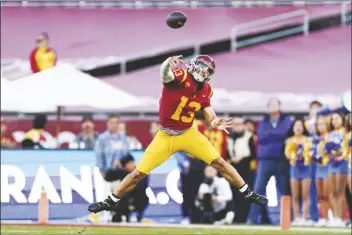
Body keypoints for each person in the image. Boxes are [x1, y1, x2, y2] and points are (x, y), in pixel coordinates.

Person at [88, 55, 268, 214]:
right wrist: (166, 65)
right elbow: (165, 76)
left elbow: (208, 111)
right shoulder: (181, 75)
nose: (203, 72)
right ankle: (110, 201)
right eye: (201, 67)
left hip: (188, 133)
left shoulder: (206, 89)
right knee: (137, 174)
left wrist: (214, 122)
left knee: (220, 163)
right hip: (165, 136)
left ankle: (248, 192)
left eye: (207, 70)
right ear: (193, 66)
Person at [247, 98, 292, 224]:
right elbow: (262, 136)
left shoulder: (287, 121)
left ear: (279, 106)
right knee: (257, 190)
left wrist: (272, 135)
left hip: (281, 160)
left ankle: (288, 219)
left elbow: (283, 133)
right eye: (270, 105)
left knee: (284, 190)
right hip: (265, 160)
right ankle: (252, 218)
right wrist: (277, 136)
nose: (272, 107)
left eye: (275, 104)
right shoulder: (263, 122)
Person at [94, 114, 130, 222]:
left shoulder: (123, 138)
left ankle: (120, 215)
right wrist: (101, 170)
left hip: (121, 172)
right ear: (108, 124)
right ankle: (104, 215)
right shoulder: (102, 138)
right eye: (112, 123)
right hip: (108, 171)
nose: (114, 125)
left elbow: (127, 154)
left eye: (116, 123)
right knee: (106, 194)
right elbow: (99, 155)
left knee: (120, 194)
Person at [227, 115, 256, 223]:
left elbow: (253, 154)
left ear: (243, 125)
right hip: (234, 168)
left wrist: (242, 157)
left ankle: (246, 217)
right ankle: (236, 217)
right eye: (235, 124)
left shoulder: (249, 136)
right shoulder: (230, 137)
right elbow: (227, 152)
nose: (237, 127)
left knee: (246, 193)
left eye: (239, 124)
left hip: (246, 168)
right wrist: (232, 158)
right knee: (234, 194)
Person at [285, 119, 313, 226]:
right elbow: (287, 155)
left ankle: (305, 218)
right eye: (296, 125)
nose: (298, 127)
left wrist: (305, 155)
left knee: (305, 195)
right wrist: (294, 156)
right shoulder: (289, 141)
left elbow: (311, 154)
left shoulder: (308, 140)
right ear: (293, 128)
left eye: (300, 125)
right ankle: (297, 218)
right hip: (295, 169)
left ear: (303, 128)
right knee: (295, 195)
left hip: (305, 169)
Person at [306, 116, 332, 227]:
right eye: (319, 124)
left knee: (328, 194)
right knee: (320, 195)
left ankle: (333, 216)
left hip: (328, 167)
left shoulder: (331, 137)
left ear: (327, 125)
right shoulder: (315, 138)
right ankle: (324, 217)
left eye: (323, 124)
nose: (321, 126)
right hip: (318, 167)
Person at [326, 112, 348, 227]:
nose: (334, 121)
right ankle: (335, 216)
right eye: (333, 119)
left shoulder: (345, 132)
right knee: (333, 191)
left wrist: (340, 154)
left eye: (337, 118)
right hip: (332, 163)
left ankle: (340, 217)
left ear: (342, 119)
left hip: (342, 162)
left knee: (340, 191)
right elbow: (326, 148)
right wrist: (330, 154)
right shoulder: (330, 134)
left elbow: (346, 147)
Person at [112, 153, 149, 223]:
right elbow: (109, 177)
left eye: (131, 163)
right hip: (125, 200)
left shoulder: (141, 172)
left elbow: (141, 188)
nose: (130, 166)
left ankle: (136, 215)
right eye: (127, 165)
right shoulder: (123, 173)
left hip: (139, 199)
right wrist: (115, 167)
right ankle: (119, 216)